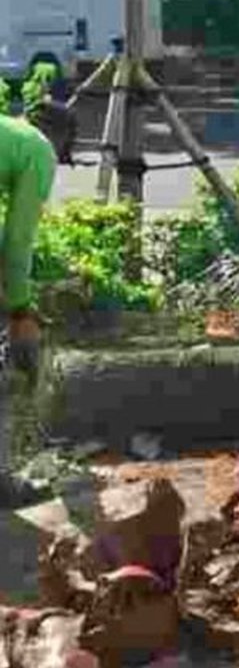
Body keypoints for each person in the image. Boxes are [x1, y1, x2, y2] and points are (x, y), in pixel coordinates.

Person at [0, 98, 73, 507]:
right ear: (62, 140)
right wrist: (20, 310)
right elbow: (18, 238)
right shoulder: (39, 149)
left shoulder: (8, 133)